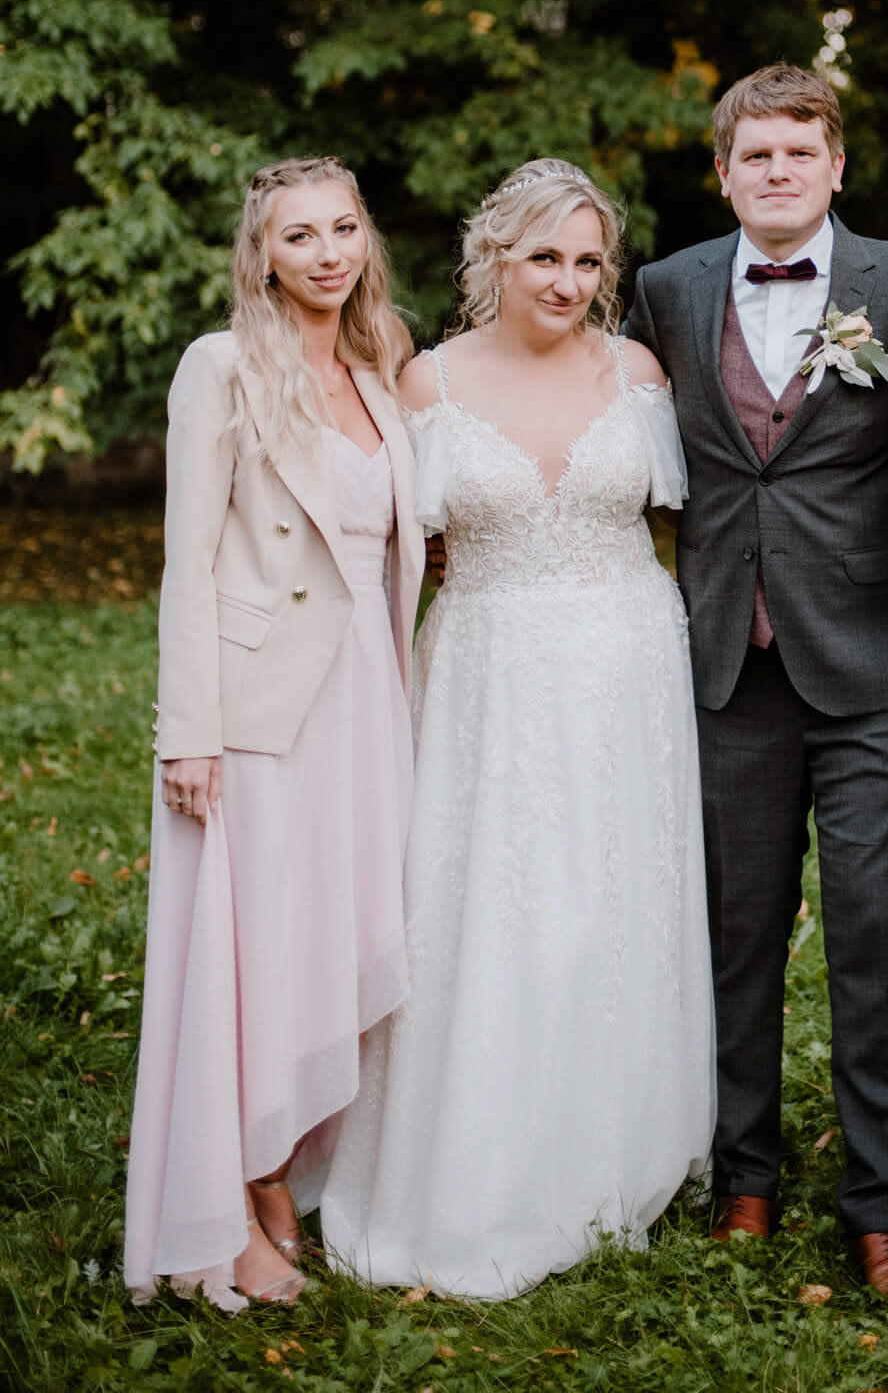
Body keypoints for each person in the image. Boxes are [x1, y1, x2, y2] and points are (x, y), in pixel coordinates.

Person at [321, 159, 713, 1299]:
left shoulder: (636, 370)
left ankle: (616, 1147)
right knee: (486, 898)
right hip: (485, 670)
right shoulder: (426, 381)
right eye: (544, 255)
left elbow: (676, 518)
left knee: (614, 902)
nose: (567, 280)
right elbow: (386, 535)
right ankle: (470, 1152)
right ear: (492, 254)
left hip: (627, 666)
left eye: (589, 261)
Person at [626, 64, 888, 1298]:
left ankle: (880, 1206)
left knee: (873, 941)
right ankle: (744, 1178)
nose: (775, 170)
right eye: (753, 154)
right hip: (724, 665)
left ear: (835, 165)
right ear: (722, 172)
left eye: (797, 151)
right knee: (734, 936)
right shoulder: (665, 289)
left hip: (877, 664)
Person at [124, 157, 423, 1312]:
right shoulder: (222, 365)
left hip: (370, 696)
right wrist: (188, 731)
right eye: (298, 235)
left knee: (333, 927)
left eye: (343, 227)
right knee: (259, 942)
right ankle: (237, 1196)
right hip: (259, 703)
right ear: (261, 255)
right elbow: (188, 558)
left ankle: (292, 1162)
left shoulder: (380, 365)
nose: (327, 252)